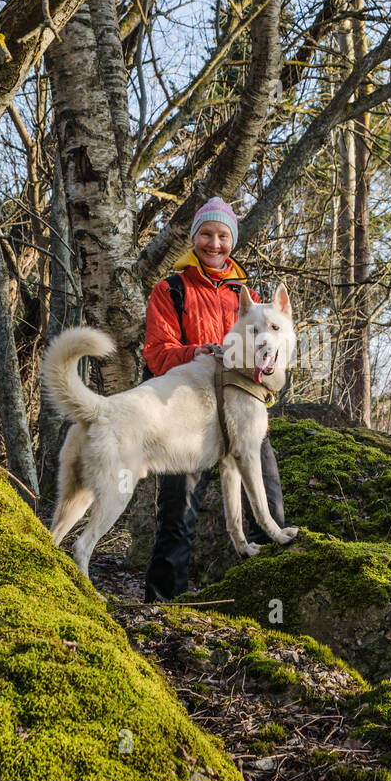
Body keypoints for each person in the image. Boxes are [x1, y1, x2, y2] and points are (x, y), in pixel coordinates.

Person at [141, 197, 286, 601]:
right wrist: (197, 351)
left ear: (232, 241)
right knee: (178, 514)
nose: (215, 243)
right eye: (206, 234)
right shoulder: (170, 289)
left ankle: (264, 602)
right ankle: (163, 609)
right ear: (194, 237)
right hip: (189, 414)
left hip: (245, 416)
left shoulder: (251, 296)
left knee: (270, 509)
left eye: (223, 235)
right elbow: (156, 354)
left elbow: (268, 352)